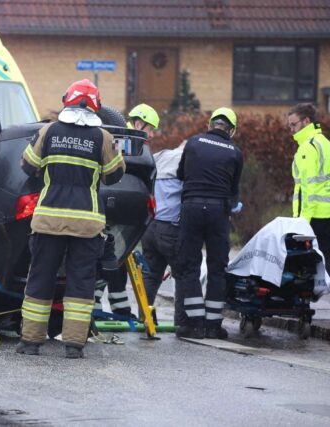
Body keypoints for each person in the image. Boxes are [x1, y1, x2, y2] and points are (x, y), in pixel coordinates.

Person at [16, 79, 125, 359]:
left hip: (48, 219)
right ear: (95, 106)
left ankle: (30, 342)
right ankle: (74, 346)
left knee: (40, 278)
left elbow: (27, 165)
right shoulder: (102, 137)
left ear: (68, 100)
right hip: (86, 224)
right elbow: (115, 175)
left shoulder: (49, 131)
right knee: (81, 282)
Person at [175, 107, 243, 339]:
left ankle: (194, 325)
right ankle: (213, 326)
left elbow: (180, 174)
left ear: (211, 124)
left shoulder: (193, 143)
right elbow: (233, 190)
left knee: (189, 265)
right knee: (217, 267)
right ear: (231, 129)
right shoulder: (235, 152)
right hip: (218, 212)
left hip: (192, 207)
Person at [93, 103, 159, 318]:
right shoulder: (128, 143)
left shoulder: (127, 141)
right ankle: (94, 305)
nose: (152, 134)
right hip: (115, 210)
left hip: (118, 208)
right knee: (108, 259)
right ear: (139, 123)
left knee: (118, 263)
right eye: (151, 128)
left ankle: (120, 308)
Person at [141, 140, 185, 326]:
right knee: (183, 274)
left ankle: (145, 317)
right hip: (171, 229)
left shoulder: (161, 157)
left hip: (150, 227)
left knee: (151, 276)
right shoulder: (186, 162)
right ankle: (182, 322)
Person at [288, 103, 330, 275]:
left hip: (314, 217)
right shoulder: (324, 142)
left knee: (309, 266)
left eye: (293, 124)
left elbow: (309, 189)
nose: (290, 129)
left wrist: (302, 221)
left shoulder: (308, 147)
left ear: (306, 121)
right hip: (326, 213)